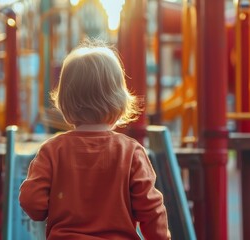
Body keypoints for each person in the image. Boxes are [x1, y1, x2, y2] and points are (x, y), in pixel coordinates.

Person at [19, 40, 171, 239]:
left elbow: (32, 202)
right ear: (120, 100)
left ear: (64, 101)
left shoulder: (52, 151)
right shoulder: (131, 152)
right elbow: (151, 209)